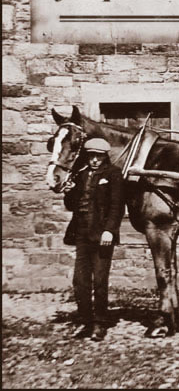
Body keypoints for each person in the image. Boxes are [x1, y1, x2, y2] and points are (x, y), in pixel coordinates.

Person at [62, 137, 126, 341]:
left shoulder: (113, 174)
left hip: (102, 235)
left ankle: (100, 323)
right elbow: (72, 205)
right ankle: (86, 322)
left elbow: (117, 206)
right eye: (91, 156)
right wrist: (69, 190)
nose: (95, 160)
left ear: (104, 156)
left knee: (99, 280)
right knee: (80, 280)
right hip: (81, 233)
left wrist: (110, 230)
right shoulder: (81, 175)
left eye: (98, 157)